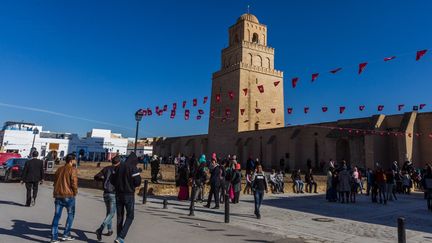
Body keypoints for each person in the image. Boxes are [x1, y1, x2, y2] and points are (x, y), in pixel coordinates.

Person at [111, 152, 142, 243]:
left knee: (120, 216)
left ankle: (118, 236)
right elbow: (138, 182)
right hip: (128, 194)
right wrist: (131, 185)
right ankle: (121, 237)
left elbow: (112, 180)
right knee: (130, 216)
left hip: (118, 194)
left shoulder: (117, 167)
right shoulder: (133, 168)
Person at [50, 154, 78, 243]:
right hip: (68, 195)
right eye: (75, 160)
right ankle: (66, 234)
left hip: (58, 195)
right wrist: (75, 192)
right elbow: (74, 183)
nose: (75, 161)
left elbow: (55, 181)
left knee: (56, 216)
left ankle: (54, 237)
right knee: (70, 214)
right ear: (72, 160)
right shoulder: (72, 169)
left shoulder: (59, 169)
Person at [94, 156, 121, 241]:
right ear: (119, 162)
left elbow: (96, 177)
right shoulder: (119, 170)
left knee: (109, 212)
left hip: (105, 193)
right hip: (113, 193)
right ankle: (100, 229)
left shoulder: (106, 168)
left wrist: (103, 180)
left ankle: (109, 230)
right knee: (112, 213)